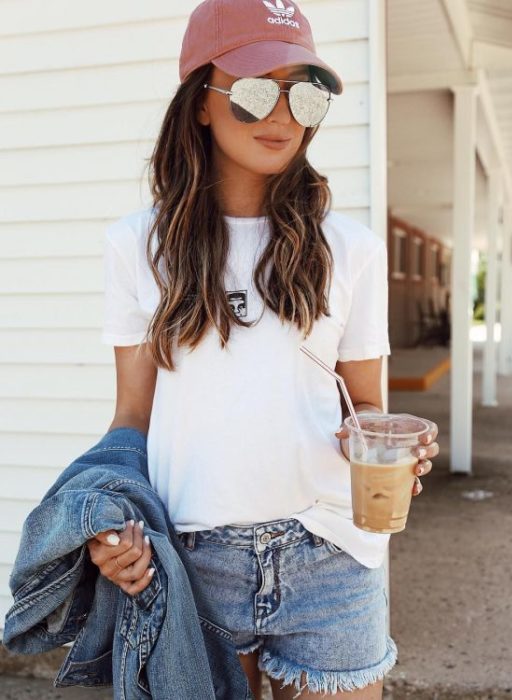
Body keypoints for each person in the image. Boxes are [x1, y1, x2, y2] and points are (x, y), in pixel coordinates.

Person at [87, 1, 440, 698]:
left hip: (333, 554)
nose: (282, 115)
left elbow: (364, 405)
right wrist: (107, 520)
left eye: (305, 91)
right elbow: (132, 418)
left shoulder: (354, 251)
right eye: (252, 91)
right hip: (189, 561)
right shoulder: (136, 247)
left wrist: (384, 446)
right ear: (201, 105)